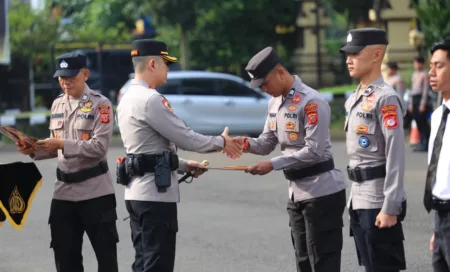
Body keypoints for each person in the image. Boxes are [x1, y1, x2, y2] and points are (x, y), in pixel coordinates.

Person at [116, 39, 243, 272]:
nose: (168, 69)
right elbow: (185, 138)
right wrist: (221, 142)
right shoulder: (150, 99)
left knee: (143, 263)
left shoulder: (126, 98)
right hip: (154, 197)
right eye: (166, 63)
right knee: (157, 265)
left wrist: (182, 165)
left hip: (136, 193)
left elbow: (145, 150)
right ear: (152, 64)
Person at [232, 46, 347, 272]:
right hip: (296, 193)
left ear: (281, 72)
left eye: (265, 83)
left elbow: (313, 150)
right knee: (303, 260)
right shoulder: (274, 103)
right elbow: (266, 142)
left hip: (321, 192)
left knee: (322, 262)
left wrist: (273, 164)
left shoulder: (312, 101)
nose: (264, 89)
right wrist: (244, 143)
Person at [16, 51, 119, 272]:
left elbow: (99, 148)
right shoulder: (57, 105)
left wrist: (62, 144)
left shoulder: (101, 105)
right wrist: (33, 150)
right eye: (61, 77)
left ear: (85, 74)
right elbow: (54, 148)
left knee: (106, 258)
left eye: (71, 76)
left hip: (96, 193)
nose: (65, 81)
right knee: (65, 259)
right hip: (63, 193)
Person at [340, 28, 407, 272]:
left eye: (355, 53)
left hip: (378, 200)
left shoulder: (386, 98)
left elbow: (395, 155)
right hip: (358, 199)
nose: (348, 59)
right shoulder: (355, 97)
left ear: (377, 54)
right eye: (347, 54)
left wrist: (390, 207)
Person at [423, 39, 450, 272]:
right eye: (431, 65)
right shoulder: (439, 115)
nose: (431, 72)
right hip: (441, 216)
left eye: (439, 66)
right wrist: (437, 230)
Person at [410, 55, 431, 152]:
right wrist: (411, 103)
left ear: (421, 63)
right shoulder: (414, 74)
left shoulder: (425, 74)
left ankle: (426, 143)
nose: (416, 64)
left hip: (421, 99)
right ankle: (421, 142)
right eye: (415, 63)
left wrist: (423, 103)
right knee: (417, 121)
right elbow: (412, 89)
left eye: (417, 62)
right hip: (414, 99)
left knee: (423, 123)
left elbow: (426, 90)